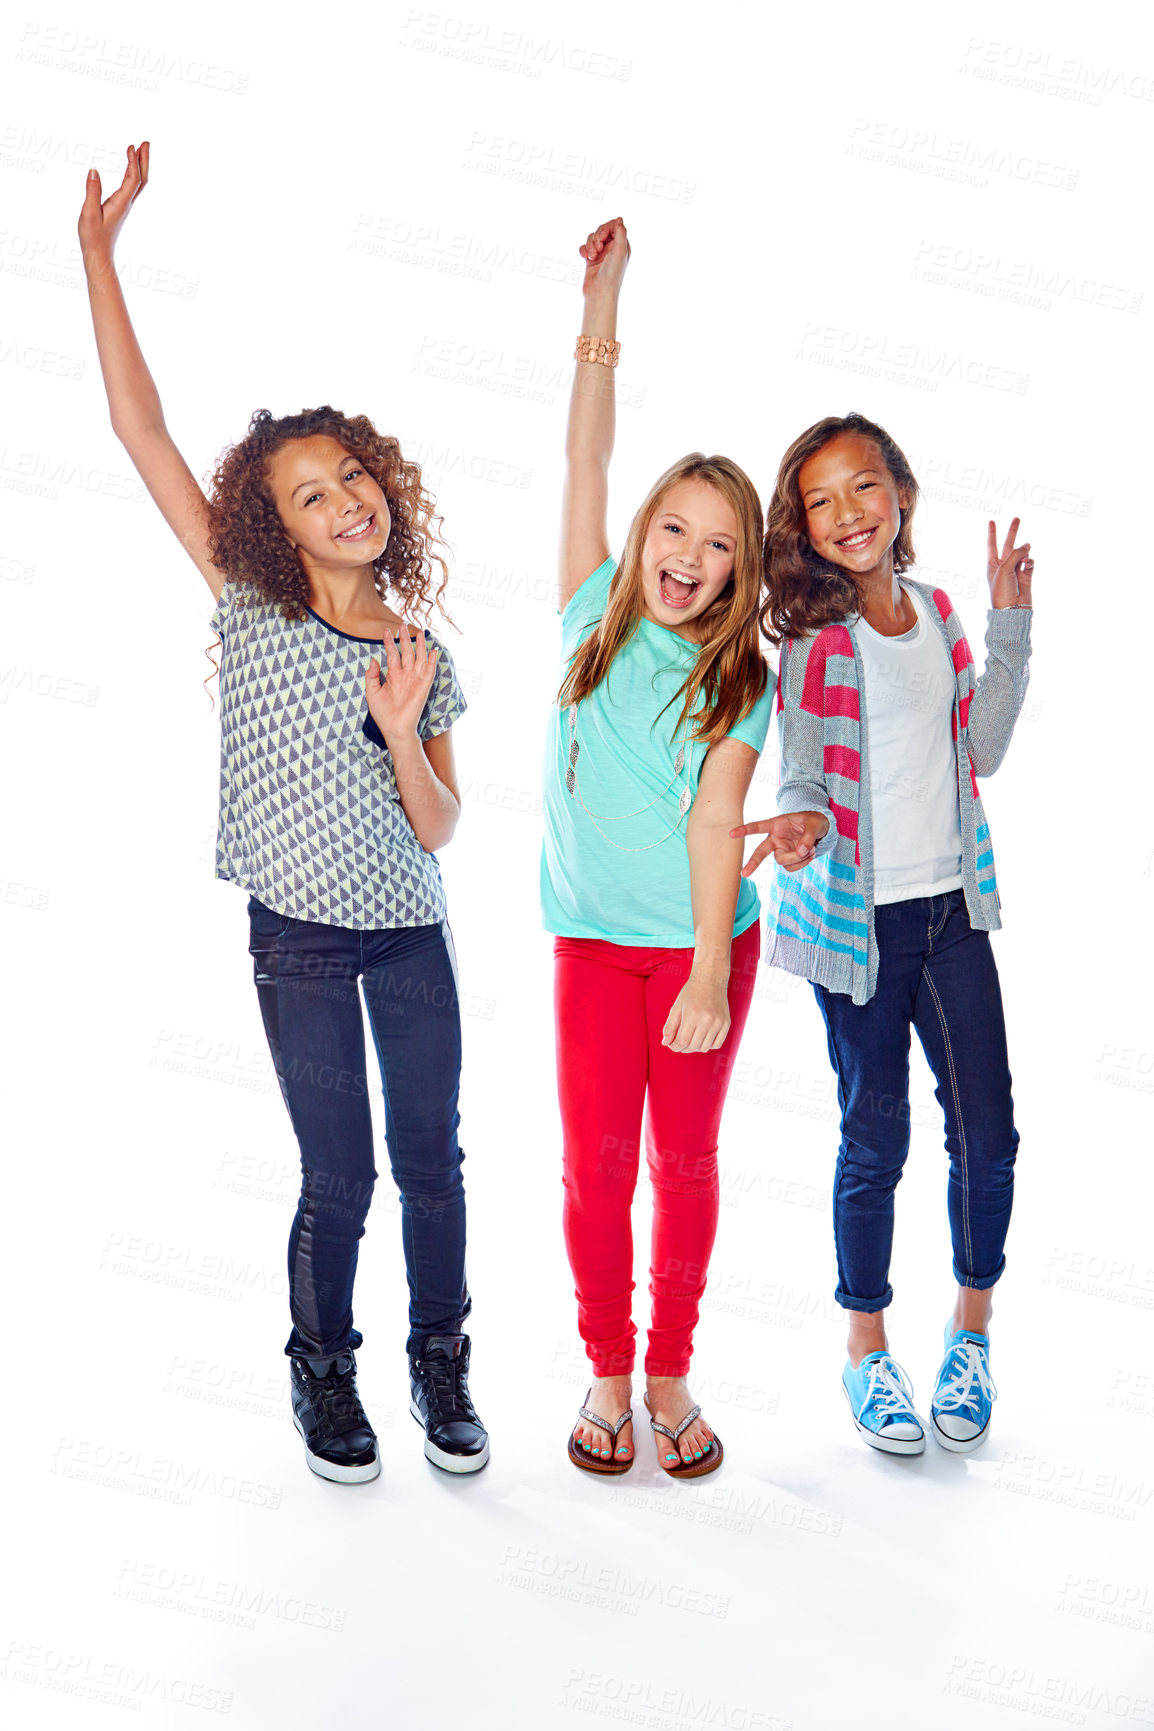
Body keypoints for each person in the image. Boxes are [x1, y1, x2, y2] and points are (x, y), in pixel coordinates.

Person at [78, 142, 488, 1485]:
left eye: (352, 477)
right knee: (342, 1175)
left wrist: (397, 726)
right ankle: (326, 1369)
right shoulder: (250, 607)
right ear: (277, 529)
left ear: (385, 486)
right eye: (309, 493)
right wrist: (99, 253)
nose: (342, 499)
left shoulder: (418, 651)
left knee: (432, 1161)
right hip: (299, 941)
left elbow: (436, 831)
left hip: (409, 938)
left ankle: (443, 1362)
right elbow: (141, 430)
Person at [735, 412, 1033, 1455]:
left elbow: (979, 751)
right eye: (819, 500)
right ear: (803, 527)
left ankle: (969, 1333)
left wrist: (1008, 629)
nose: (845, 513)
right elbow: (803, 770)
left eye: (862, 487)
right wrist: (802, 818)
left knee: (985, 1131)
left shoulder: (940, 612)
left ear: (897, 493)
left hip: (951, 910)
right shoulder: (814, 642)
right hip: (857, 926)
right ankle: (865, 1349)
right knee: (875, 1137)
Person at [545, 217, 789, 1478]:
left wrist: (705, 969)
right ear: (643, 534)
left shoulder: (741, 674)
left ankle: (671, 1368)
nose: (688, 559)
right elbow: (584, 453)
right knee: (594, 1166)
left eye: (718, 547)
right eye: (674, 531)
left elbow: (713, 820)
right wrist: (604, 298)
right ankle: (602, 1365)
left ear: (742, 573)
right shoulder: (591, 607)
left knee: (679, 1162)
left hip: (698, 954)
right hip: (591, 946)